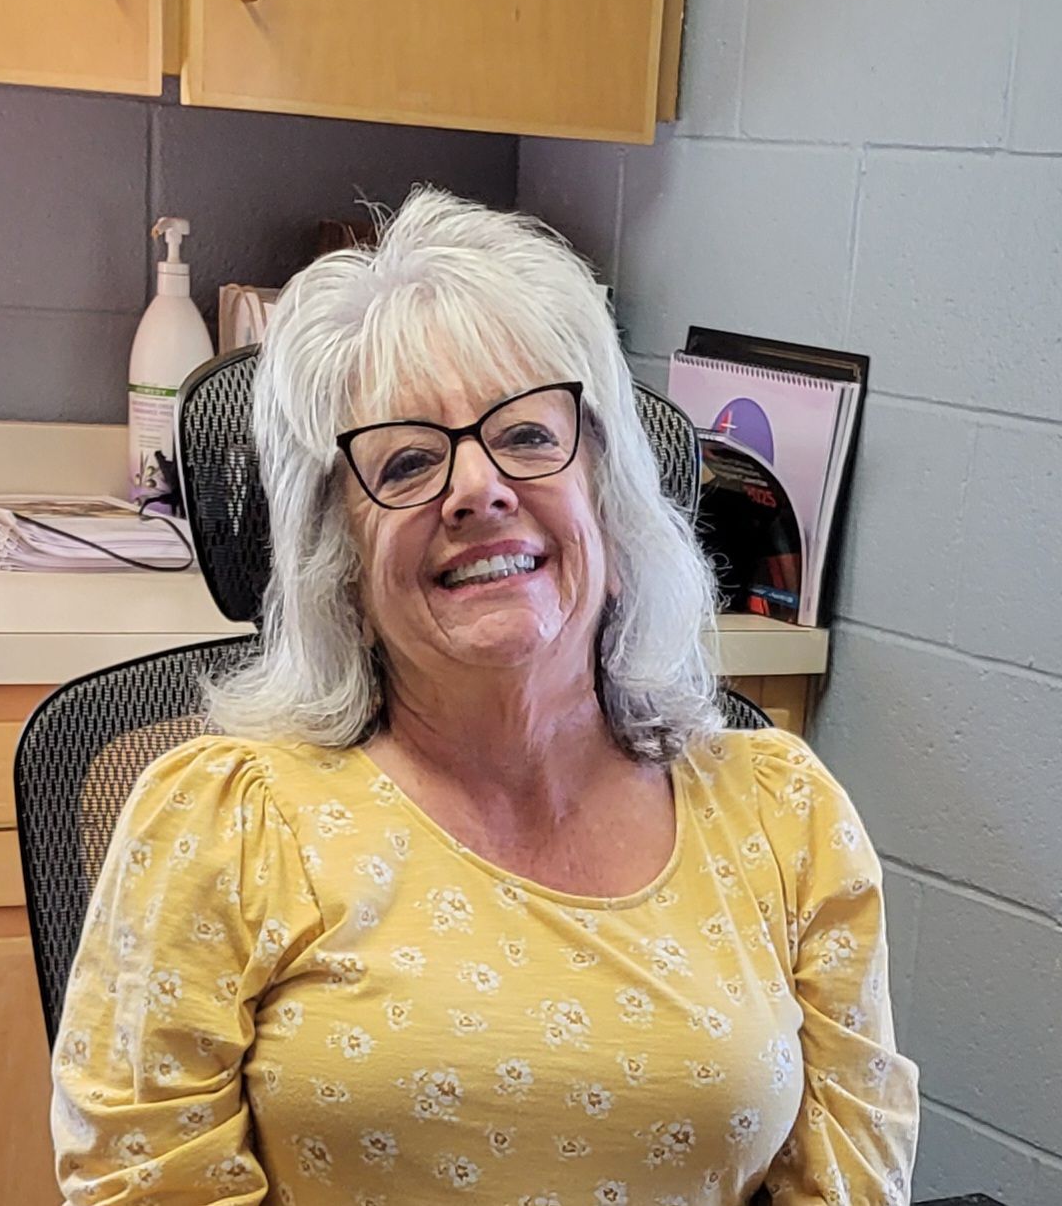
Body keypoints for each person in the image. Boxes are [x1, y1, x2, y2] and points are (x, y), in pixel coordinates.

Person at [51, 187, 919, 1205]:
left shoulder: (785, 817)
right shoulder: (226, 826)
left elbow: (847, 1182)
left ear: (609, 489)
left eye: (528, 436)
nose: (478, 487)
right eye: (409, 460)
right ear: (339, 551)